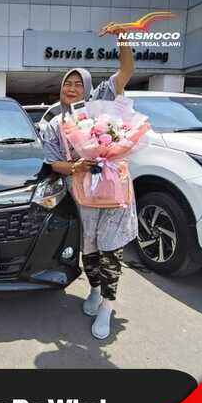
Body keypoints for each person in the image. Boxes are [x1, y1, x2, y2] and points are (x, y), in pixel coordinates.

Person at [42, 23, 136, 340]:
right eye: (66, 84)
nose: (71, 88)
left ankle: (107, 306)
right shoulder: (54, 123)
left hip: (114, 189)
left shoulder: (102, 102)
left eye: (77, 84)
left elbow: (126, 70)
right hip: (82, 193)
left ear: (87, 87)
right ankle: (95, 290)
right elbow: (51, 161)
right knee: (91, 248)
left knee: (111, 249)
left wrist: (123, 38)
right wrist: (74, 166)